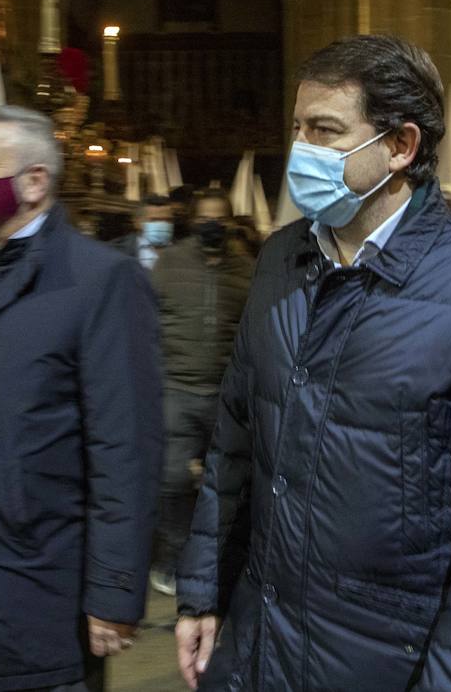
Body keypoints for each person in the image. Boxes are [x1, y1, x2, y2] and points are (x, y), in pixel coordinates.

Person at [175, 35, 451, 691]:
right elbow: (235, 442)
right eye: (298, 128)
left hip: (390, 662)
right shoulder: (280, 261)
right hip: (259, 648)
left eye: (326, 131)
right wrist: (202, 590)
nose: (301, 150)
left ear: (400, 146)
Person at [0, 104, 163, 691]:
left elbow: (125, 447)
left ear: (34, 182)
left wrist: (115, 588)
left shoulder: (98, 279)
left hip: (33, 583)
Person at [149, 188, 254, 597]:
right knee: (172, 479)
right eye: (204, 216)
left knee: (227, 481)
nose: (212, 224)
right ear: (194, 221)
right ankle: (173, 556)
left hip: (225, 395)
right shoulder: (169, 263)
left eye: (219, 217)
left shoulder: (245, 269)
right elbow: (149, 322)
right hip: (176, 388)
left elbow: (253, 329)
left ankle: (220, 558)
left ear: (229, 222)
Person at [115, 194, 176, 270]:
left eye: (168, 220)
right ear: (137, 223)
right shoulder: (117, 251)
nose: (163, 224)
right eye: (154, 220)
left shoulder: (184, 251)